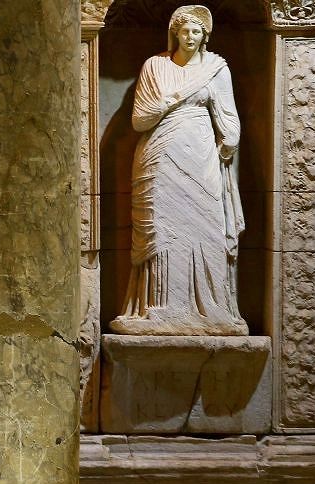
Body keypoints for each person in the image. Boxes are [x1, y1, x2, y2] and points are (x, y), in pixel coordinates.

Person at [110, 4, 248, 336]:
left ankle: (213, 308)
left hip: (200, 158)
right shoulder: (155, 67)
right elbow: (139, 119)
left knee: (206, 227)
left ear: (205, 35)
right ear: (175, 33)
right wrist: (169, 100)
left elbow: (228, 118)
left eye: (196, 31)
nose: (190, 37)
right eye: (184, 31)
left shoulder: (216, 70)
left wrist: (229, 141)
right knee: (162, 227)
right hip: (159, 157)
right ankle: (157, 309)